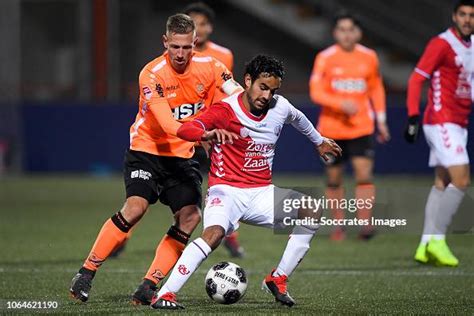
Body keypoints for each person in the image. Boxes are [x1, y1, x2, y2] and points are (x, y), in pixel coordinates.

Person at [69, 13, 242, 304]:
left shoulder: (212, 66)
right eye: (175, 46)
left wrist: (248, 111)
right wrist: (205, 134)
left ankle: (148, 285)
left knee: (190, 217)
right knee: (135, 208)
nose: (180, 53)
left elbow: (236, 95)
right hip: (147, 150)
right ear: (165, 42)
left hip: (181, 156)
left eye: (186, 47)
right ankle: (86, 272)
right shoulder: (152, 74)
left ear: (195, 43)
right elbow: (167, 124)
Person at [149, 54, 342, 309]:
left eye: (273, 90)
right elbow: (185, 130)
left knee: (312, 209)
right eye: (263, 87)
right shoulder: (224, 110)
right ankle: (165, 294)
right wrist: (207, 132)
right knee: (214, 234)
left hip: (261, 192)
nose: (267, 95)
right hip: (225, 191)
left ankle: (278, 278)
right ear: (248, 80)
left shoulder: (279, 106)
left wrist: (318, 141)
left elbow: (297, 118)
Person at [309, 12, 390, 241]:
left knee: (364, 174)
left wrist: (381, 120)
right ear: (335, 33)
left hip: (361, 127)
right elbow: (315, 91)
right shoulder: (325, 57)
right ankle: (338, 225)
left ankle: (365, 224)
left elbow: (376, 89)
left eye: (350, 29)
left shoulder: (369, 57)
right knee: (334, 178)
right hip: (332, 129)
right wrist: (339, 103)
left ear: (358, 33)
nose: (346, 34)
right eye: (342, 30)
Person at [405, 0, 473, 267]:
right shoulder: (441, 43)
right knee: (462, 179)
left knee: (443, 183)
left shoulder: (472, 45)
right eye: (463, 14)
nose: (467, 19)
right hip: (441, 120)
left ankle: (424, 244)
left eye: (472, 15)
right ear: (455, 16)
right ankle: (438, 240)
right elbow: (416, 78)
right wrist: (412, 116)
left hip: (459, 122)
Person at [183, 1, 244, 258]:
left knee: (224, 184)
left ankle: (230, 235)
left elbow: (227, 91)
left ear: (211, 27)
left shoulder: (224, 55)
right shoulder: (179, 54)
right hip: (187, 128)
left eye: (203, 23)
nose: (199, 28)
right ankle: (123, 237)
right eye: (193, 22)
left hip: (216, 128)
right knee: (169, 186)